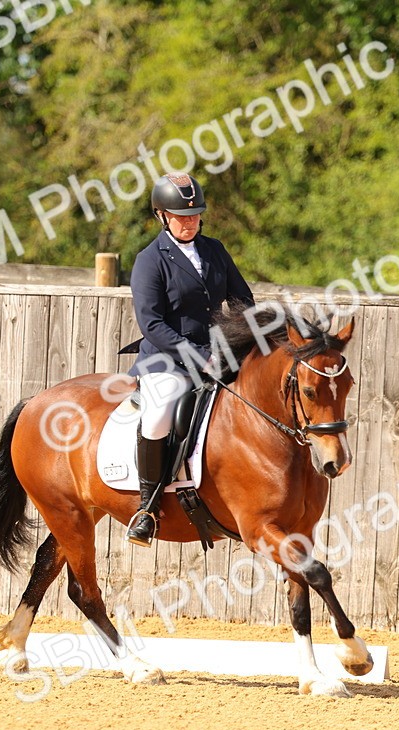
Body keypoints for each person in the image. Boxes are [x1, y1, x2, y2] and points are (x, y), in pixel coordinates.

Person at [123, 172, 255, 547]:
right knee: (160, 411)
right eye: (182, 216)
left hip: (216, 352)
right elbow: (152, 323)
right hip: (167, 358)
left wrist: (246, 342)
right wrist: (199, 356)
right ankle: (146, 509)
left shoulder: (214, 250)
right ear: (162, 216)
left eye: (195, 214)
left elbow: (243, 301)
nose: (190, 222)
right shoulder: (150, 260)